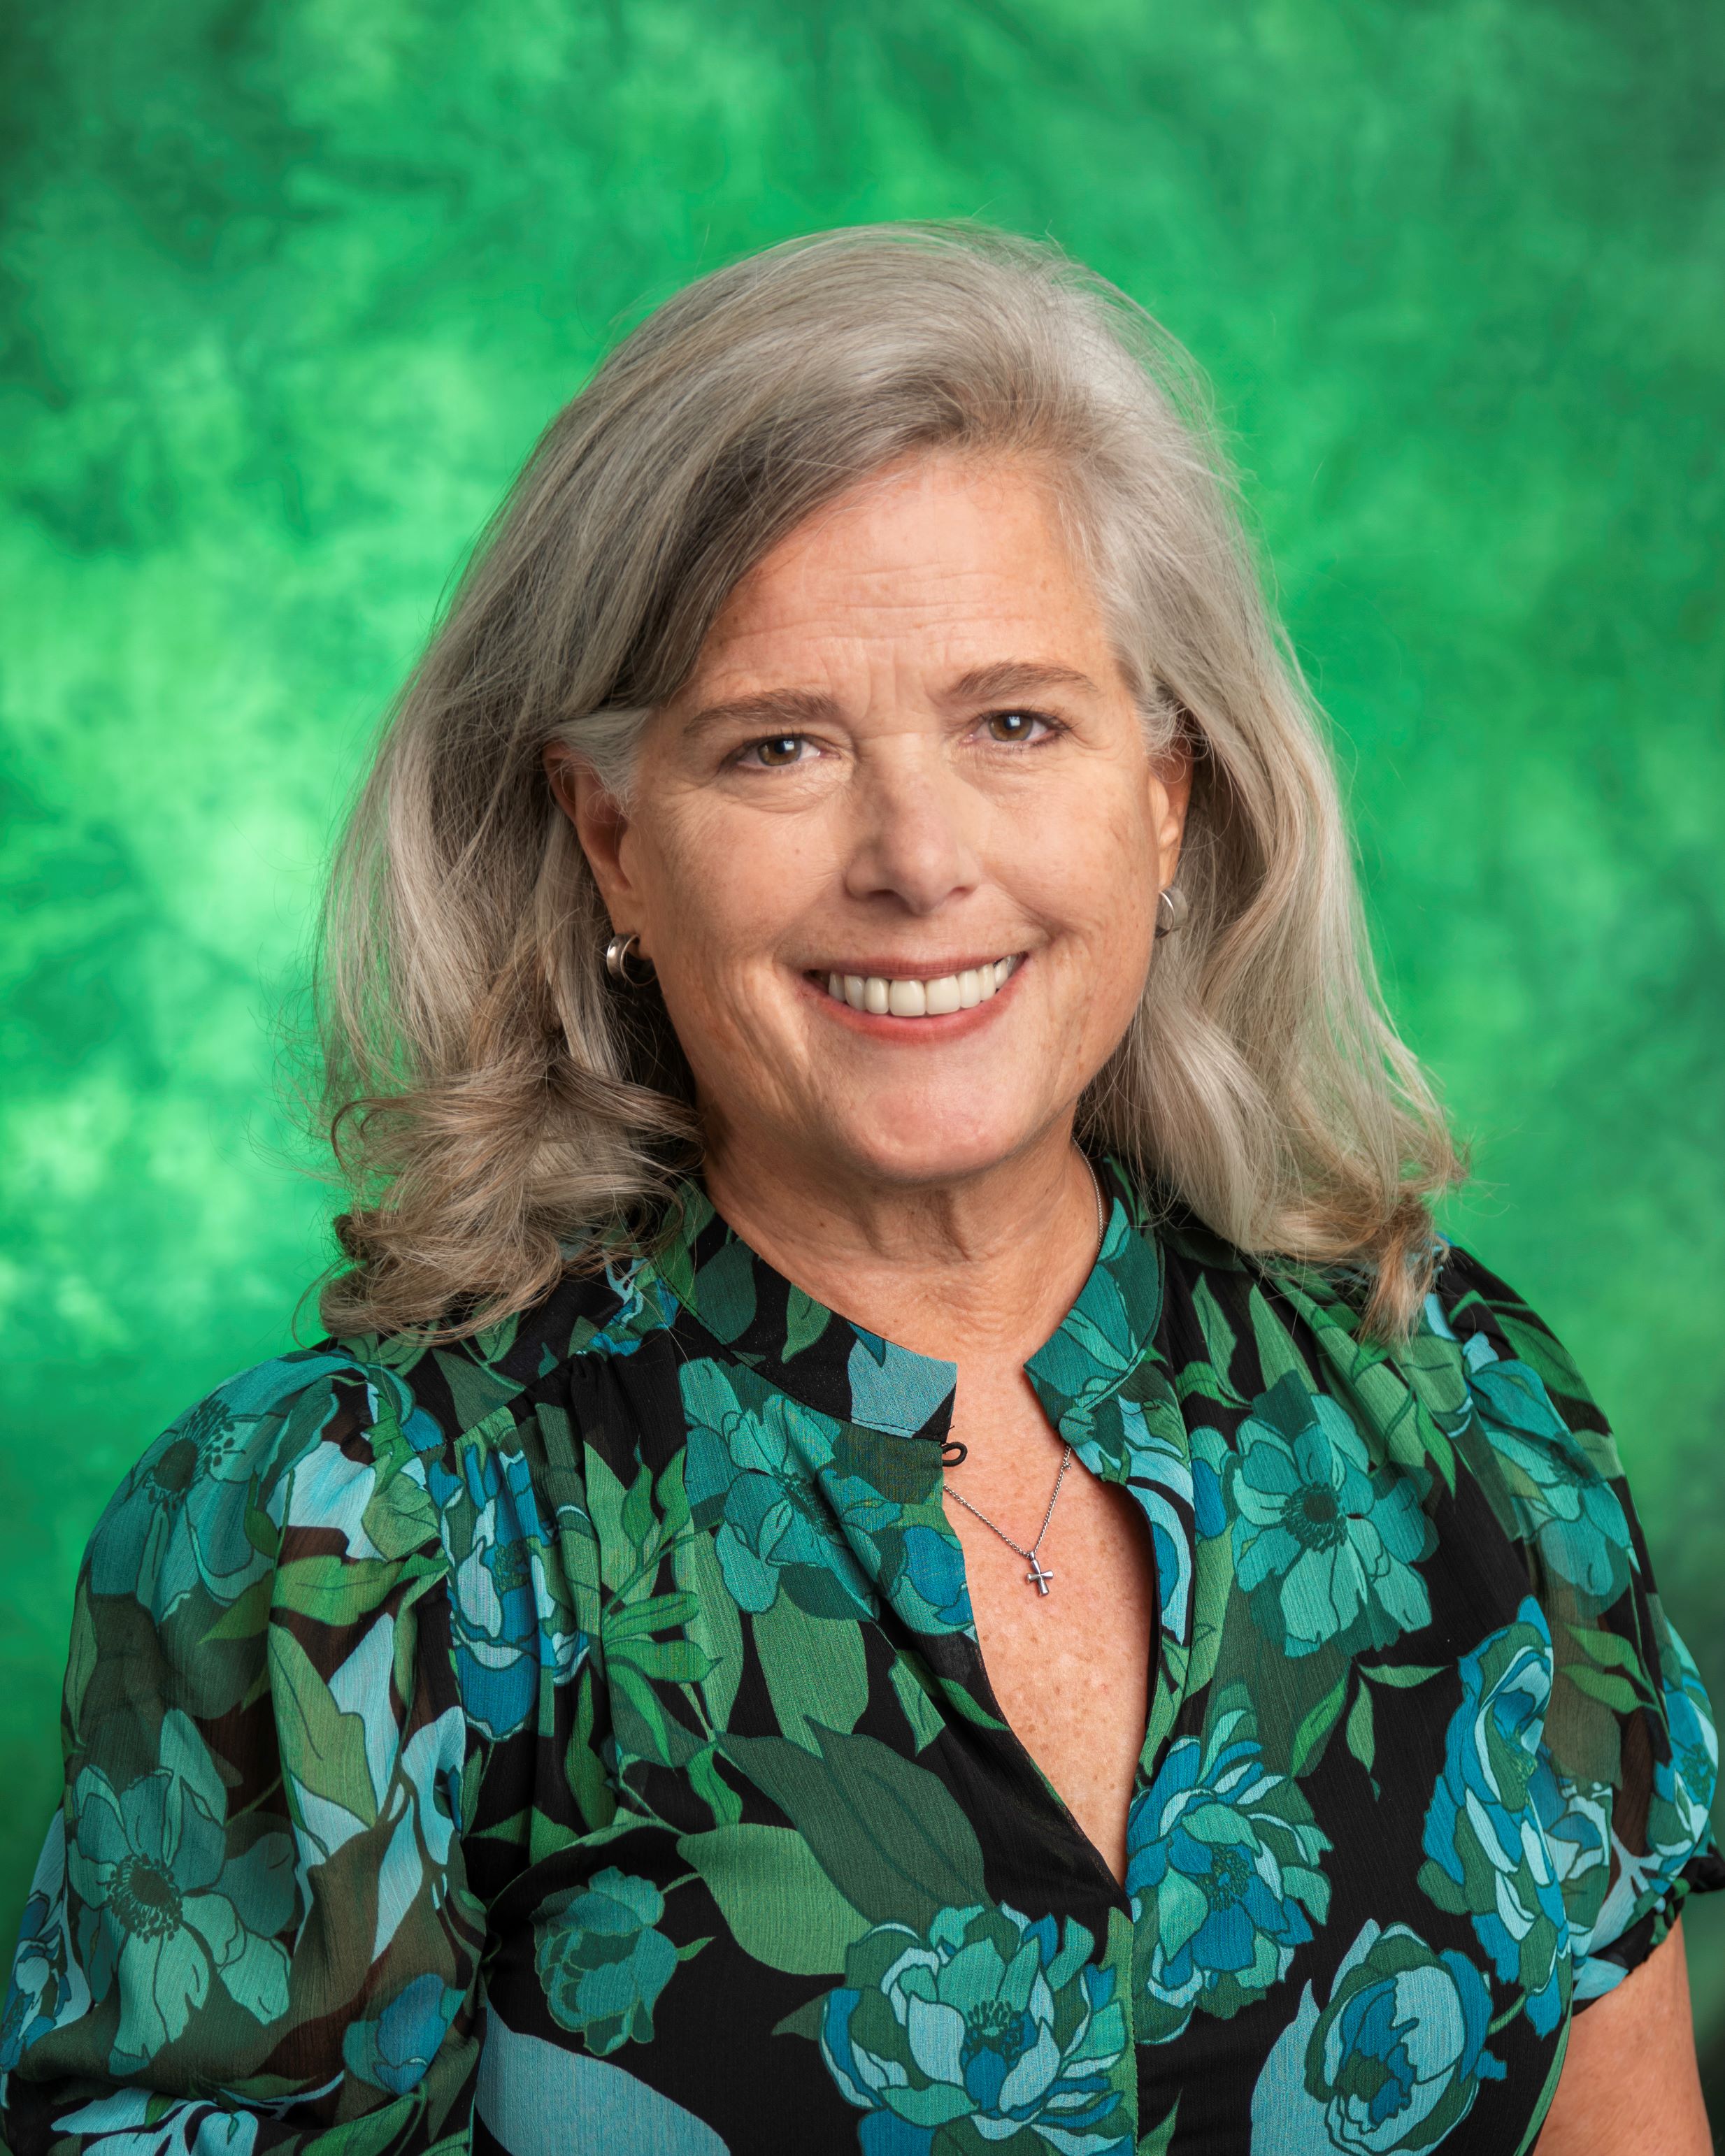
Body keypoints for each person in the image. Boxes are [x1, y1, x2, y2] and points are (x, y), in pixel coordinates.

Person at [0, 226, 1715, 2156]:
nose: (914, 859)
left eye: (1013, 721)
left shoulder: (1459, 1410)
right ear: (614, 843)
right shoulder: (361, 1539)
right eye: (781, 745)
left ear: (1165, 793)